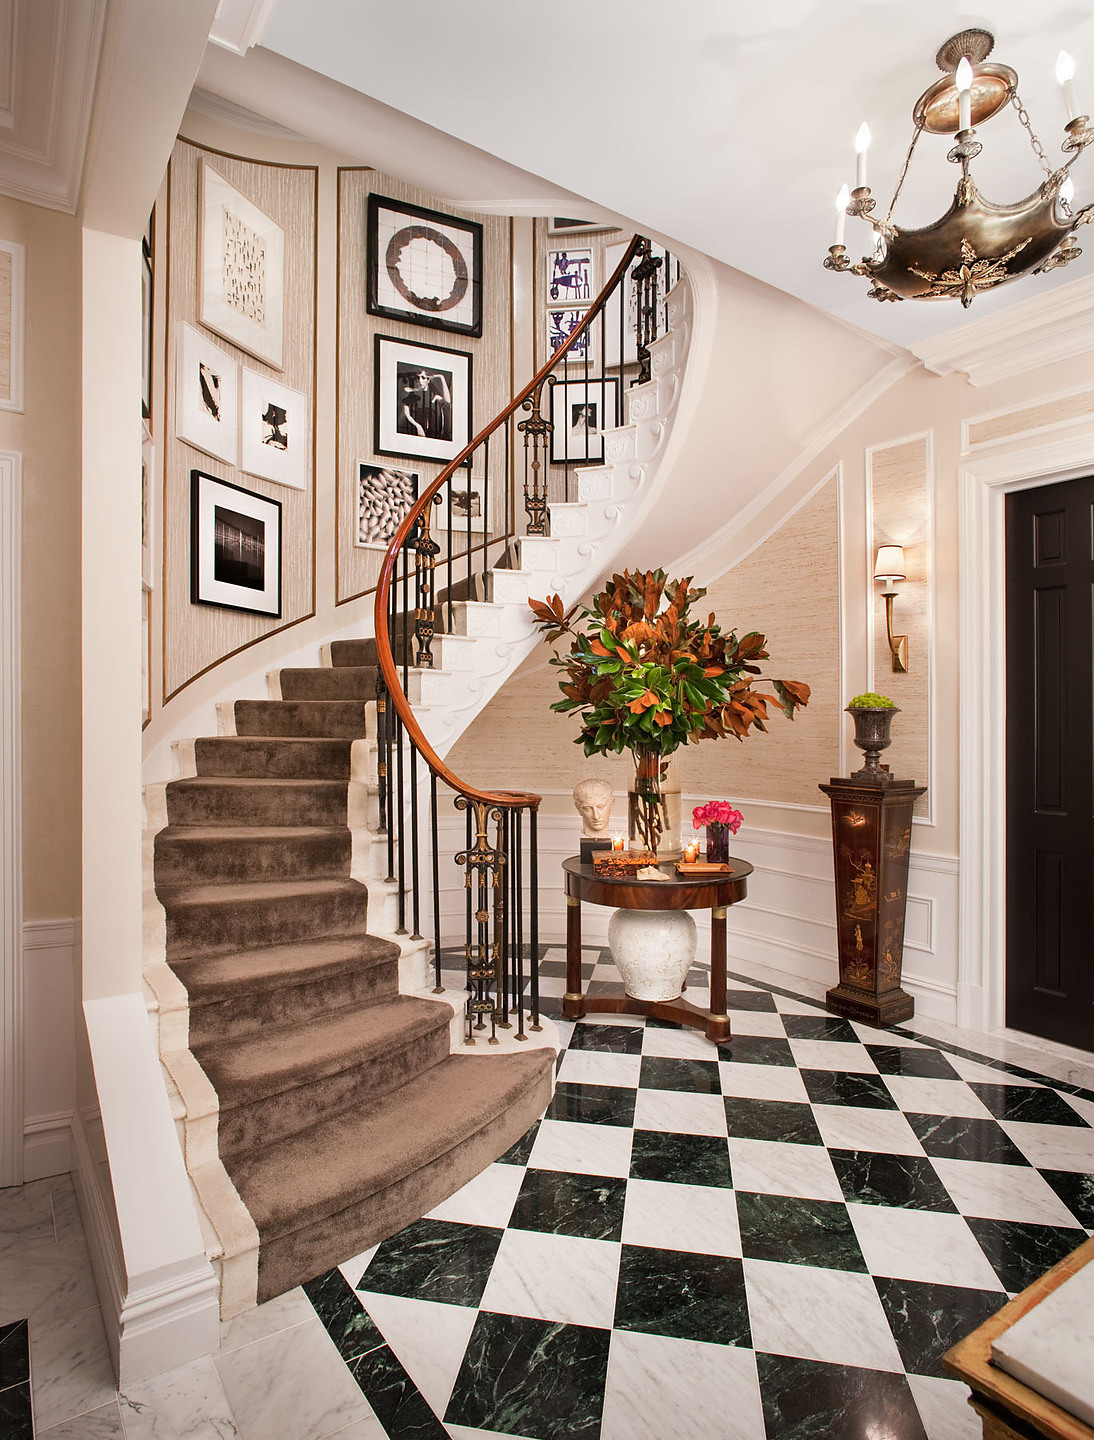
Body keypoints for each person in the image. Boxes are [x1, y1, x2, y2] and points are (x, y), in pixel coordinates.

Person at [398, 367, 452, 441]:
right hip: (415, 429)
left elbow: (447, 403)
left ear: (428, 379)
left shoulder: (432, 393)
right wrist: (417, 426)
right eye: (418, 378)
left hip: (433, 431)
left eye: (423, 378)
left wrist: (441, 377)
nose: (420, 381)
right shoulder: (410, 392)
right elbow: (406, 413)